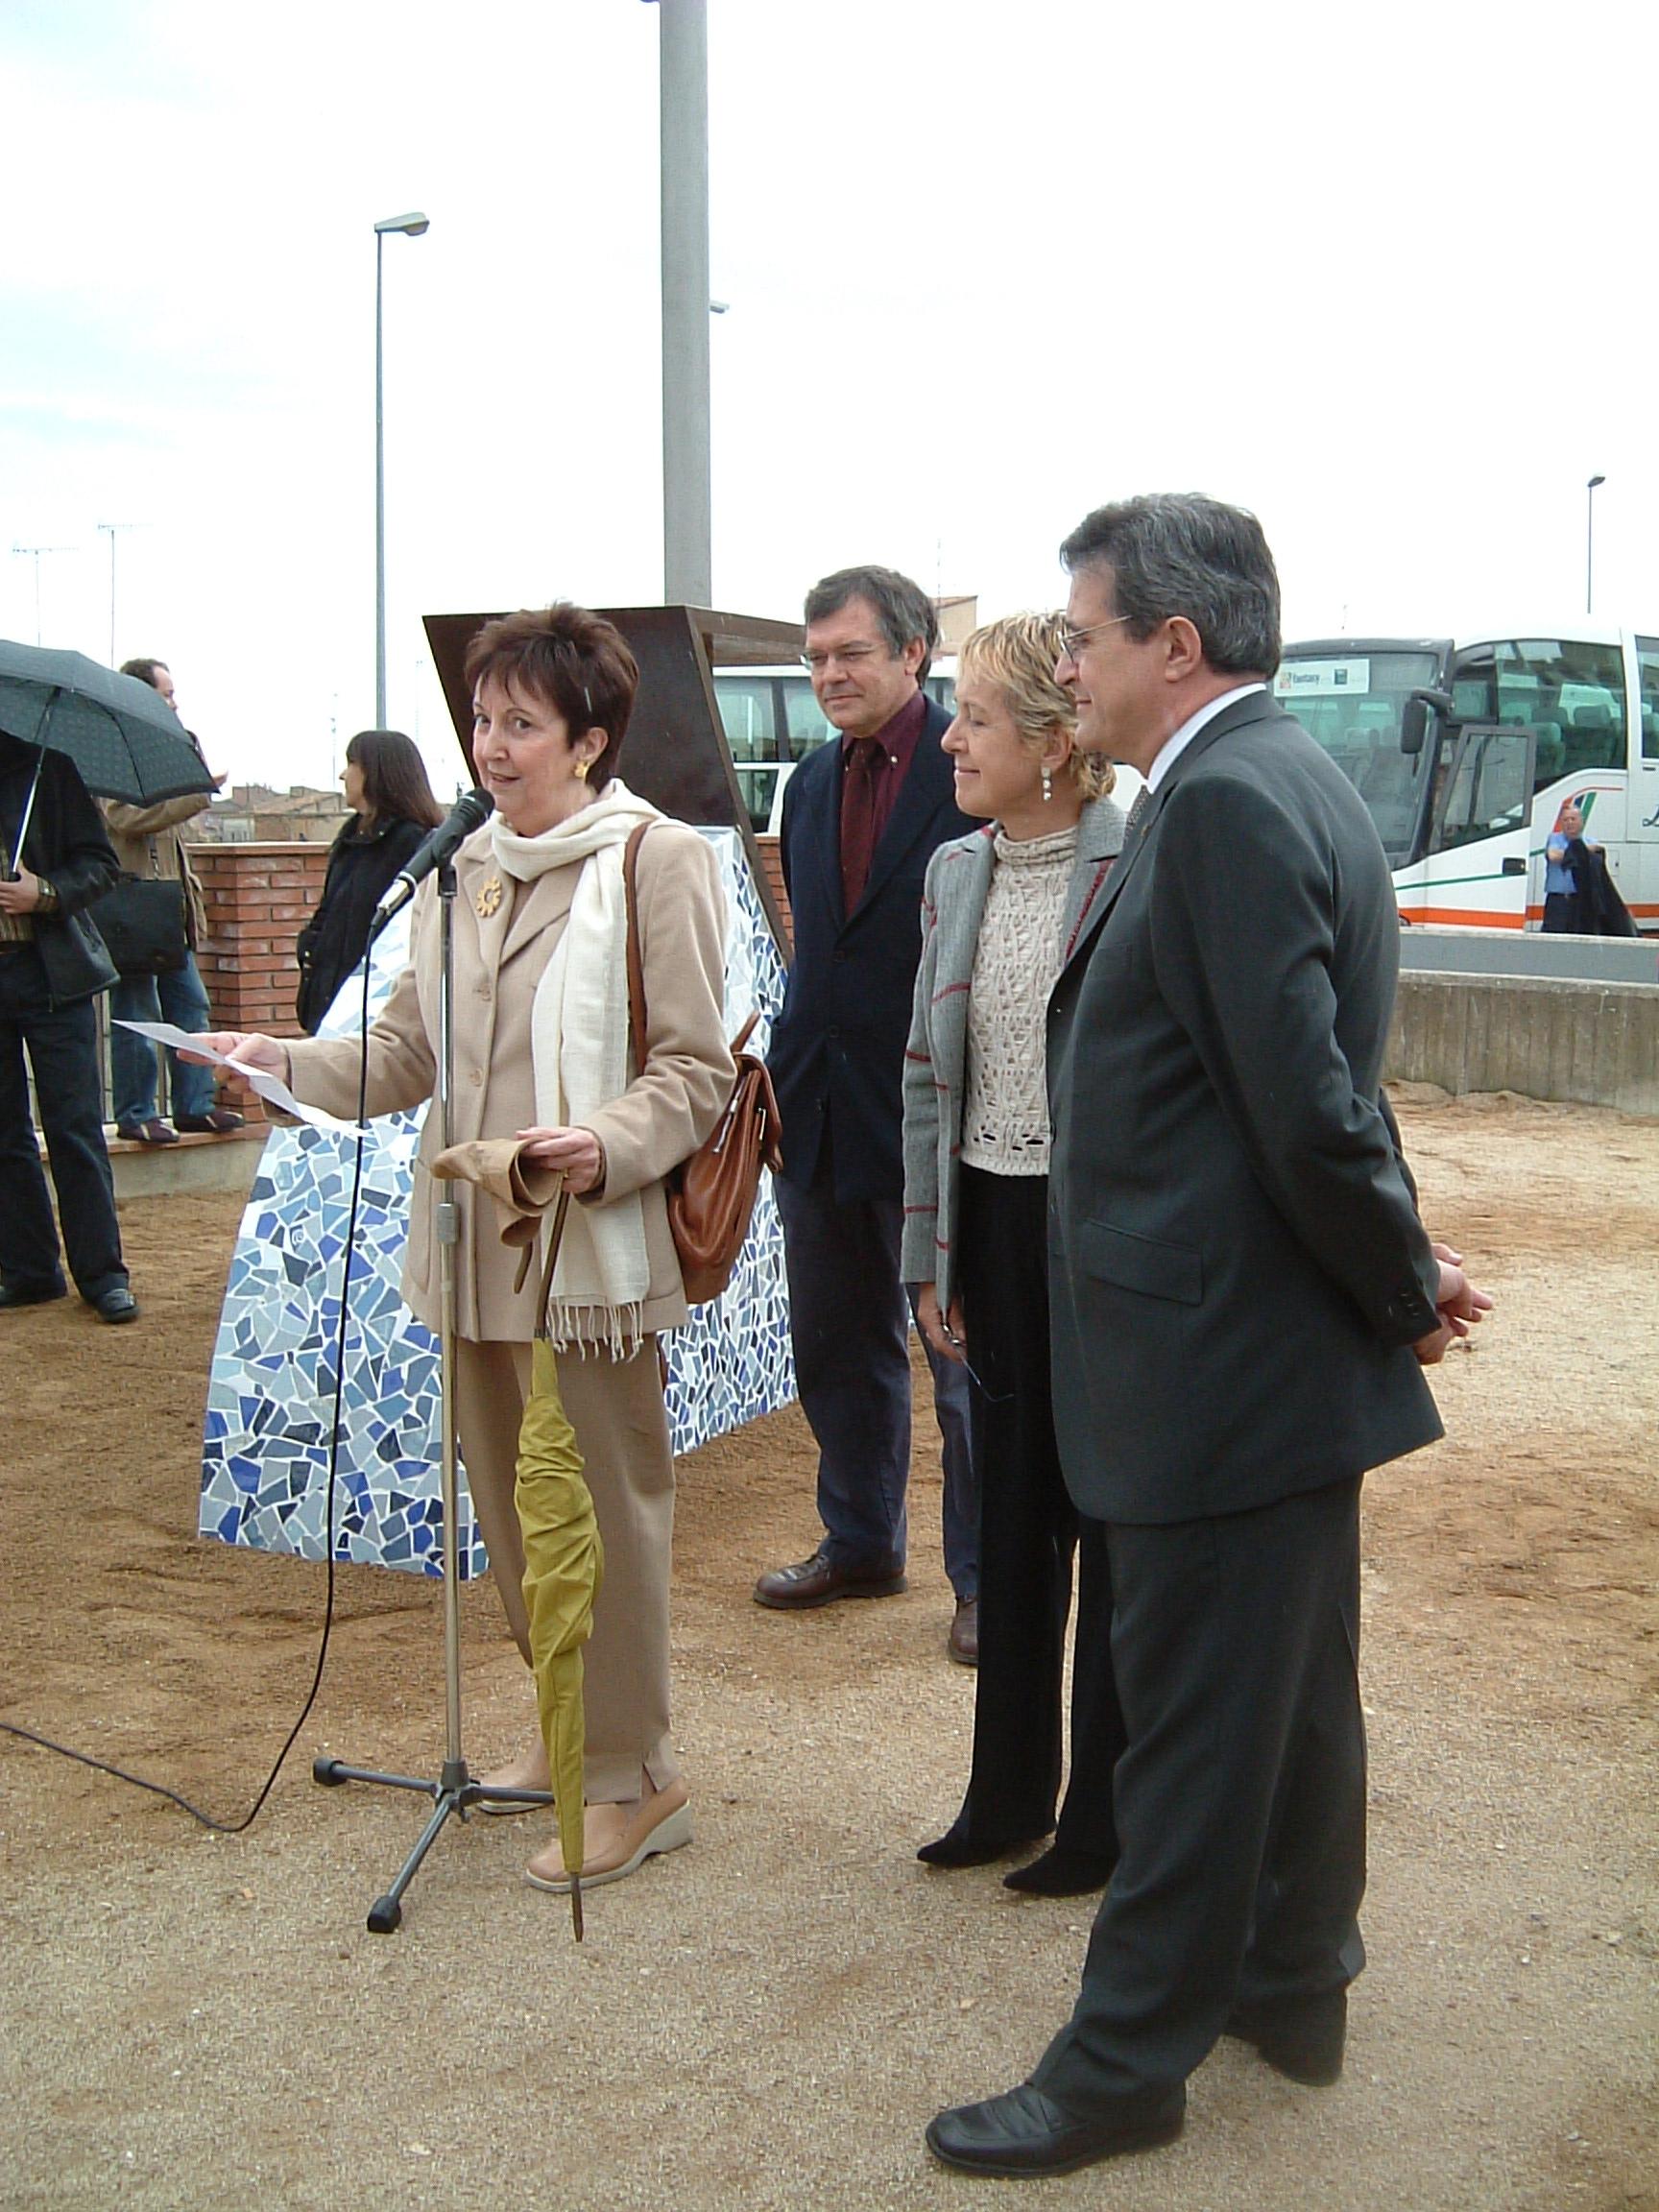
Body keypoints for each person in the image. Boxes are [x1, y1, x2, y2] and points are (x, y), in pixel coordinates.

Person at [926, 495, 1490, 2179]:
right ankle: (1291, 1977)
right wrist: (1400, 1266)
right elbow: (1307, 1078)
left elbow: (1307, 1107)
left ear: (1172, 644)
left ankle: (1119, 2064)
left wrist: (1398, 1281)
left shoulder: (1229, 798)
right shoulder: (1272, 778)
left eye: (1083, 636)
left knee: (1181, 1722)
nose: (1068, 663)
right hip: (1258, 1356)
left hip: (1214, 1365)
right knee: (1290, 1696)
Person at [200, 604, 733, 1892]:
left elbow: (697, 1074)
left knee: (600, 1516)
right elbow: (405, 1056)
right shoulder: (462, 869)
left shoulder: (653, 863)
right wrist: (282, 1062)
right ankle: (569, 1737)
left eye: (521, 725)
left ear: (591, 740)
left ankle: (635, 1777)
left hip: (587, 1254)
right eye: (482, 721)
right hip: (473, 1253)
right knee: (514, 1515)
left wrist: (593, 1146)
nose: (491, 748)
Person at [902, 613, 1126, 1896]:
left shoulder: (1138, 856)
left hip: (1100, 1236)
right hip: (988, 1219)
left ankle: (1101, 1820)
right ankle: (1004, 1798)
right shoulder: (952, 873)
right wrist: (930, 1259)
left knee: (1108, 1519)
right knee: (1011, 1507)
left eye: (975, 716)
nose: (951, 736)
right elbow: (928, 1076)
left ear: (1051, 741)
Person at [756, 565, 979, 1661]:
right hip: (819, 1109)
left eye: (849, 653)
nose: (828, 675)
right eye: (814, 658)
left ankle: (983, 1582)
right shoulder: (803, 783)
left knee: (962, 1358)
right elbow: (820, 945)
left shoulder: (967, 768)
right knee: (836, 1342)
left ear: (912, 653)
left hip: (938, 1110)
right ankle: (859, 1541)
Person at [0, 732, 138, 1322]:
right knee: (3, 1136)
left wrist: (45, 893)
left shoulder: (45, 770)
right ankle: (31, 1271)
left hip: (51, 976)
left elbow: (101, 866)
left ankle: (102, 1275)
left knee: (74, 1129)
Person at [104, 659, 243, 1144]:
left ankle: (194, 1106)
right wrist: (198, 791)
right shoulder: (110, 749)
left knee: (191, 1007)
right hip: (134, 909)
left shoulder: (163, 748)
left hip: (171, 909)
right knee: (139, 1014)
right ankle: (137, 1113)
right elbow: (124, 818)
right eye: (165, 693)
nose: (174, 702)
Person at [294, 729, 445, 1033]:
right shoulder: (351, 839)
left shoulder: (414, 844)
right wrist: (311, 945)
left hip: (375, 1014)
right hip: (331, 1006)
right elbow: (331, 910)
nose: (342, 775)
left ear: (377, 772)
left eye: (351, 763)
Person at [1542, 803, 1636, 935]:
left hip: (1581, 902)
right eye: (1565, 820)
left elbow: (1596, 857)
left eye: (1573, 819)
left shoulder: (1591, 841)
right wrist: (1580, 852)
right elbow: (1552, 855)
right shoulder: (1554, 839)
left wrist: (1575, 853)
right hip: (1558, 901)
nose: (1569, 823)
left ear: (1581, 821)